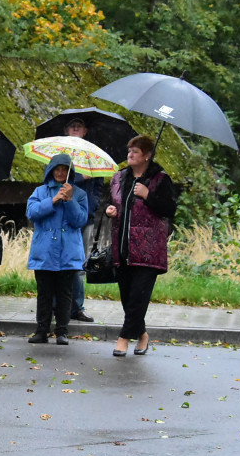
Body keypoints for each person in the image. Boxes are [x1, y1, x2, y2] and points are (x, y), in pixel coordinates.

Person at [105, 135, 176, 357]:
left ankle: (123, 338)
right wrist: (111, 210)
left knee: (138, 295)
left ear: (147, 155)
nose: (131, 154)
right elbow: (114, 203)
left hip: (148, 249)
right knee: (127, 296)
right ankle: (142, 334)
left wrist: (148, 196)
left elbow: (169, 209)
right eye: (129, 151)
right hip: (123, 246)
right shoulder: (119, 178)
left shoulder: (160, 179)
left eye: (136, 151)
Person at [26, 154, 87, 345]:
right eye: (57, 169)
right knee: (44, 292)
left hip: (68, 252)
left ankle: (62, 331)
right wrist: (53, 200)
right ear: (51, 171)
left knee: (65, 293)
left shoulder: (79, 194)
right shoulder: (40, 191)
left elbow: (80, 220)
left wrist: (69, 200)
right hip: (44, 251)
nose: (60, 173)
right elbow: (31, 213)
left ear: (70, 172)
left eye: (64, 169)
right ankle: (41, 330)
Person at [64, 118, 103, 324]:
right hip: (62, 219)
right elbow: (54, 180)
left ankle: (77, 307)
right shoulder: (59, 155)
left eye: (80, 125)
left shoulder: (92, 156)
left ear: (86, 130)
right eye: (73, 126)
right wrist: (80, 178)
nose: (76, 128)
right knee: (59, 264)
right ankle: (57, 306)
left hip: (85, 218)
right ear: (67, 130)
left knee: (79, 265)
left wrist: (92, 205)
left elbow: (98, 186)